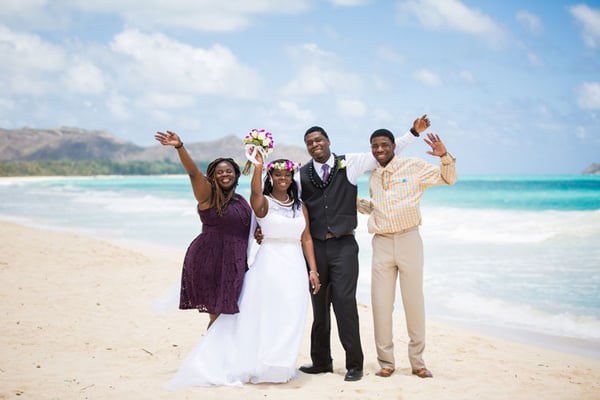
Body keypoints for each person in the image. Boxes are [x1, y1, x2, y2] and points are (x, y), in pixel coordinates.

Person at [164, 147, 321, 389]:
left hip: (271, 264)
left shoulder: (285, 205)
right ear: (271, 177)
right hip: (229, 261)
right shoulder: (242, 198)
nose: (283, 179)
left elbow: (305, 237)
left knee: (290, 316)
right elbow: (198, 175)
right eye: (277, 174)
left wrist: (312, 270)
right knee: (231, 315)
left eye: (287, 175)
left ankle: (280, 365)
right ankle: (218, 359)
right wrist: (258, 167)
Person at [297, 115, 430, 382]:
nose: (315, 145)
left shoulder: (351, 163)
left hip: (344, 245)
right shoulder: (300, 175)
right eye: (310, 143)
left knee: (345, 303)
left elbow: (386, 153)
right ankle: (321, 361)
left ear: (328, 141)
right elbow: (287, 203)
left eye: (319, 140)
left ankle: (354, 364)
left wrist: (413, 133)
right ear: (307, 147)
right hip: (316, 248)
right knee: (319, 305)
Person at [357, 129, 457, 379]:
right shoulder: (373, 177)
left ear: (393, 146)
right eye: (374, 146)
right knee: (380, 305)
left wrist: (444, 156)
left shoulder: (413, 167)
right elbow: (378, 207)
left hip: (409, 239)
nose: (379, 150)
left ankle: (418, 362)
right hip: (381, 243)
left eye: (384, 145)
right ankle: (386, 362)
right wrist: (358, 204)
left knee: (414, 302)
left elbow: (448, 179)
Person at [154, 130, 252, 329]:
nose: (225, 174)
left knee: (231, 316)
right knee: (218, 316)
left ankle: (220, 357)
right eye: (219, 172)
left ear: (236, 174)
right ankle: (209, 358)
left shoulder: (240, 200)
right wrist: (180, 147)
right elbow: (193, 173)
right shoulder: (207, 196)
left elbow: (248, 225)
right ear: (212, 176)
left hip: (235, 262)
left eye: (229, 171)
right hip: (211, 260)